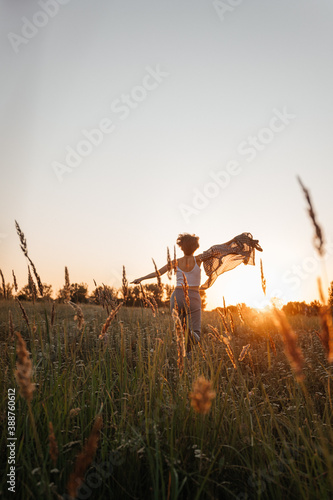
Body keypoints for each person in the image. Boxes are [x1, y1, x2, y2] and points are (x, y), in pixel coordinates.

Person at [131, 233, 203, 346]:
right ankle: (190, 338)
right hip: (193, 297)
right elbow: (220, 250)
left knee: (180, 330)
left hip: (177, 296)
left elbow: (158, 273)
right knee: (196, 333)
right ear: (196, 247)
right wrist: (235, 242)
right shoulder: (199, 259)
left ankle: (185, 347)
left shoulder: (175, 262)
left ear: (181, 247)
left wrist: (141, 278)